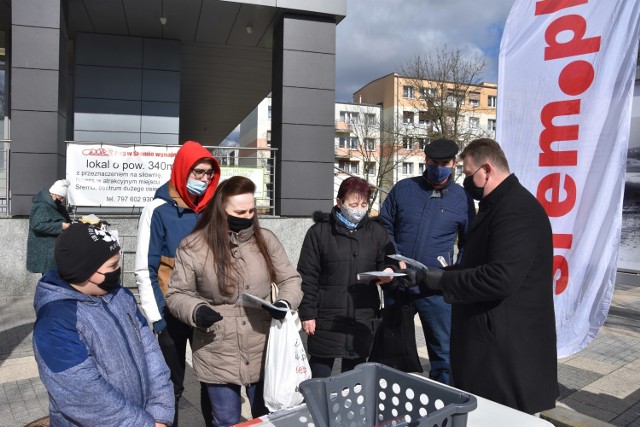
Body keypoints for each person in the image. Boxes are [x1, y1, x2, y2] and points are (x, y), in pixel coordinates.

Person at [391, 138, 559, 414]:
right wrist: (425, 276)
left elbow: (499, 278)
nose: (466, 181)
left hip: (508, 361)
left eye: (469, 174)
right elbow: (474, 264)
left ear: (487, 170)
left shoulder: (517, 210)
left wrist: (440, 281)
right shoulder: (497, 206)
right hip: (491, 356)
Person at [165, 176, 303, 427]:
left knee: (265, 416)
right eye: (239, 211)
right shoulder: (193, 245)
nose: (247, 216)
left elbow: (290, 279)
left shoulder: (266, 240)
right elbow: (176, 294)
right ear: (221, 210)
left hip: (262, 343)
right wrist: (196, 310)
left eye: (251, 210)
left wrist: (284, 302)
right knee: (226, 419)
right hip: (217, 345)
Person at [33, 223, 174, 426]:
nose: (118, 270)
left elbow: (151, 353)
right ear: (84, 271)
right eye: (112, 266)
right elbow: (82, 394)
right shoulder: (55, 322)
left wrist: (160, 413)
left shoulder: (121, 296)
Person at [134, 140, 221, 427]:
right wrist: (157, 317)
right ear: (182, 170)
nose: (205, 179)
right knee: (171, 388)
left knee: (213, 383)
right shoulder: (157, 209)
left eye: (209, 173)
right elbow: (144, 268)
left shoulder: (213, 209)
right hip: (171, 313)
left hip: (208, 311)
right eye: (198, 172)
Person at [380, 138, 475, 384]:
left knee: (443, 352)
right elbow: (384, 225)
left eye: (445, 163)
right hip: (399, 284)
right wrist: (394, 256)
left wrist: (453, 276)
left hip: (435, 288)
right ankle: (392, 396)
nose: (439, 167)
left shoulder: (462, 199)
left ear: (454, 164)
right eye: (435, 162)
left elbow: (468, 242)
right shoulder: (403, 189)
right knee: (392, 349)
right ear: (426, 161)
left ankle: (442, 405)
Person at [297, 177, 397, 378]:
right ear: (339, 202)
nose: (359, 210)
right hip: (327, 317)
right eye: (353, 204)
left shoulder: (376, 232)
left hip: (362, 315)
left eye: (363, 204)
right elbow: (307, 275)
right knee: (320, 375)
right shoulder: (319, 232)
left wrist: (389, 272)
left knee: (355, 378)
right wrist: (308, 313)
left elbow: (389, 261)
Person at [27, 179, 72, 274]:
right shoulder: (42, 205)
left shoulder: (57, 206)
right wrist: (60, 226)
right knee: (49, 277)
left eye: (63, 198)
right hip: (46, 250)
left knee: (53, 276)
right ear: (53, 194)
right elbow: (37, 225)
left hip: (54, 249)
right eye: (61, 197)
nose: (62, 200)